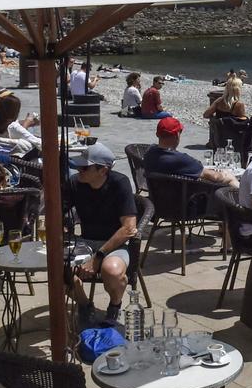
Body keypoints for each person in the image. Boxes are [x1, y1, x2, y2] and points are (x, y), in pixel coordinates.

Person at [67, 142, 137, 322]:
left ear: (103, 170)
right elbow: (57, 214)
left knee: (112, 271)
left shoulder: (120, 183)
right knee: (59, 269)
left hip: (114, 244)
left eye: (85, 167)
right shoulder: (75, 183)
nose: (79, 170)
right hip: (84, 242)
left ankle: (115, 305)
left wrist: (98, 257)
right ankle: (84, 304)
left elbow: (128, 228)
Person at [144, 117, 237, 186]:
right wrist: (225, 174)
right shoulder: (181, 160)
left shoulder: (149, 152)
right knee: (230, 179)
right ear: (177, 135)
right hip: (187, 203)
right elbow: (215, 177)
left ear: (157, 134)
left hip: (159, 199)